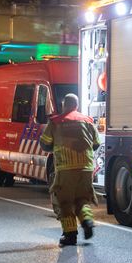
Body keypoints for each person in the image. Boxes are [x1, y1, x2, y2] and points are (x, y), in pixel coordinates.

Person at [40, 93, 100, 247]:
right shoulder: (88, 121)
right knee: (82, 198)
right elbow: (96, 143)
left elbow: (45, 143)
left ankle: (70, 234)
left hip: (66, 168)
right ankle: (87, 221)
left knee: (64, 202)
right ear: (77, 106)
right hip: (87, 168)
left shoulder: (56, 122)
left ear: (63, 105)